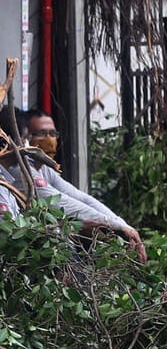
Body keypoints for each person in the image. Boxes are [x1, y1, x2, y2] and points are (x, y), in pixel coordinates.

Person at [1, 108, 145, 261]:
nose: (49, 140)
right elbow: (64, 203)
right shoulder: (21, 171)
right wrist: (117, 227)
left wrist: (121, 225)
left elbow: (82, 198)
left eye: (52, 134)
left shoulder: (43, 168)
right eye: (41, 133)